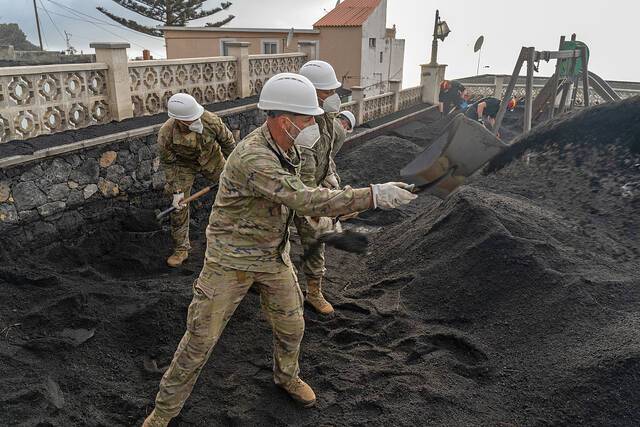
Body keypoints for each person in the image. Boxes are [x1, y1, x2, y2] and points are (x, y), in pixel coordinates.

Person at [142, 73, 417, 426]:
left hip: (272, 255)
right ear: (284, 120)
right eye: (307, 119)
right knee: (200, 339)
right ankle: (163, 413)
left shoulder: (290, 149)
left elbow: (305, 197)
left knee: (292, 325)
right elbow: (302, 196)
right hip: (231, 260)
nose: (313, 125)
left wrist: (332, 211)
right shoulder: (254, 158)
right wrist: (372, 195)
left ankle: (286, 376)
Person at [294, 60, 348, 315]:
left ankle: (313, 292)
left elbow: (325, 155)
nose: (333, 97)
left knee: (315, 239)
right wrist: (318, 202)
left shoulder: (328, 122)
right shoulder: (297, 122)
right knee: (271, 240)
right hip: (287, 189)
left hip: (311, 184)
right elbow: (301, 173)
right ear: (312, 92)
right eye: (328, 92)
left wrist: (330, 177)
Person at [158, 93, 236, 268]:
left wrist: (234, 169)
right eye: (190, 119)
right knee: (179, 206)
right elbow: (168, 163)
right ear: (179, 120)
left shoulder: (211, 121)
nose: (195, 120)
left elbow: (228, 143)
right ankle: (181, 249)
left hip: (212, 159)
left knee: (233, 193)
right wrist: (176, 191)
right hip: (184, 166)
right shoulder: (166, 133)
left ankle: (231, 239)